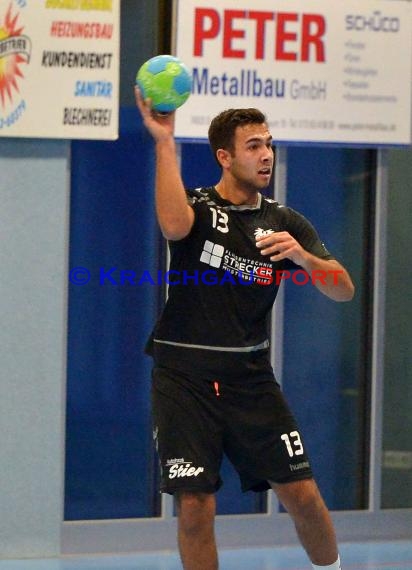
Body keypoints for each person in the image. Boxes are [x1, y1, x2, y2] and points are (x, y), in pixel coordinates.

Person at [135, 87, 355, 570]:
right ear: (225, 156)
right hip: (184, 379)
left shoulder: (284, 221)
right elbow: (172, 225)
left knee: (302, 494)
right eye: (254, 145)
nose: (266, 155)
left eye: (269, 144)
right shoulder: (196, 206)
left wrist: (301, 256)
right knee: (195, 507)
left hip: (249, 379)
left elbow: (344, 289)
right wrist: (164, 142)